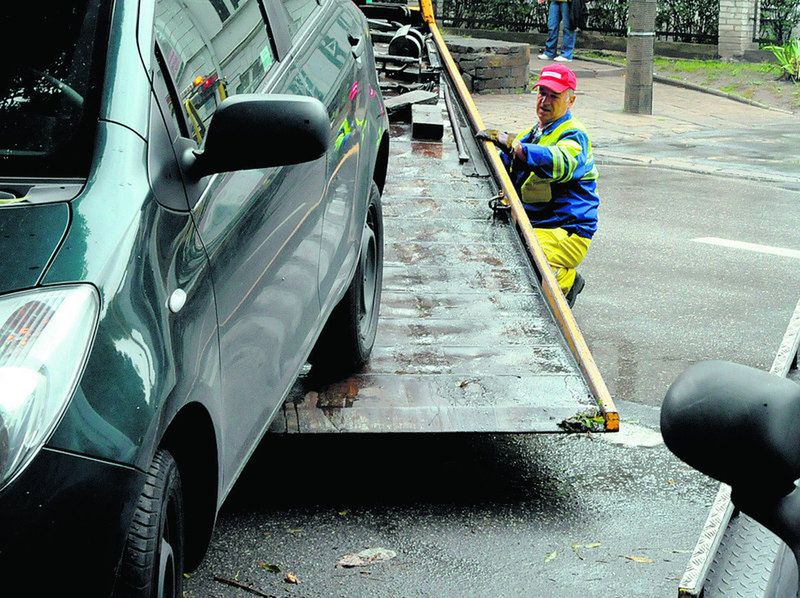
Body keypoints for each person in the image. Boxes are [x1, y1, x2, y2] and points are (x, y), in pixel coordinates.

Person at [476, 64, 599, 308]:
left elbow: (562, 162)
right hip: (541, 224)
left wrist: (516, 148)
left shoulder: (575, 135)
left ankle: (566, 281)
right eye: (542, 93)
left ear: (570, 101)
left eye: (554, 96)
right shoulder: (533, 133)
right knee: (507, 243)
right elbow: (509, 165)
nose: (545, 101)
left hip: (568, 231)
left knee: (520, 252)